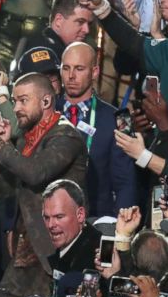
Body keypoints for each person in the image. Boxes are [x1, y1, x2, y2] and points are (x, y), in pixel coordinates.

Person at [0, 73, 87, 297]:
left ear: (46, 100)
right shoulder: (29, 137)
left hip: (55, 255)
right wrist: (3, 147)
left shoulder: (66, 136)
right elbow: (9, 187)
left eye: (23, 101)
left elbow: (35, 173)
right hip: (28, 250)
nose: (17, 109)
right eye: (14, 101)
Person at [58, 42, 137, 216]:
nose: (71, 76)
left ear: (94, 72)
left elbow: (125, 182)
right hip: (49, 218)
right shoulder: (46, 111)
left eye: (79, 69)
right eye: (66, 68)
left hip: (96, 219)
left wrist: (120, 230)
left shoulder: (121, 119)